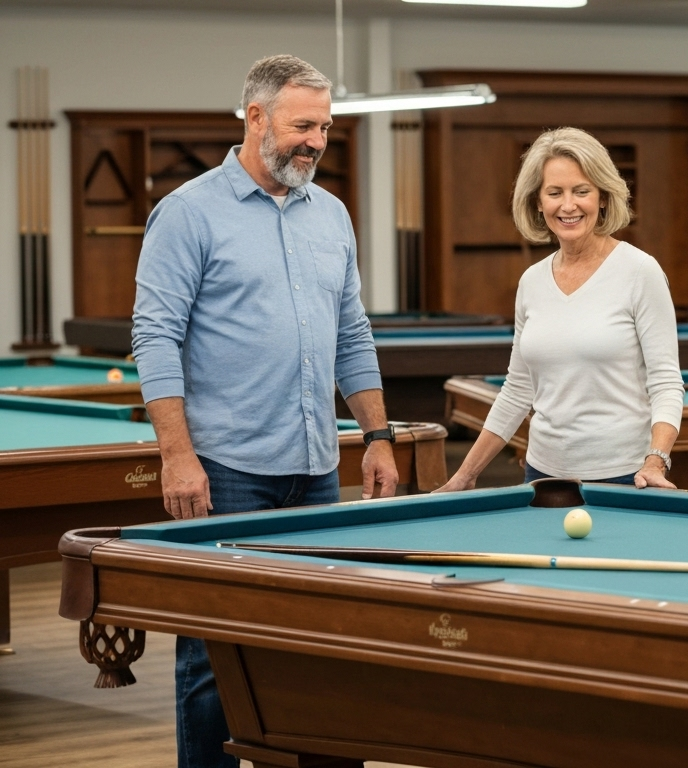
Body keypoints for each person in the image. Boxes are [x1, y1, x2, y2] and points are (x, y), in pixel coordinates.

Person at [131, 55, 398, 768]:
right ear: (255, 117)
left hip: (314, 469)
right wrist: (177, 455)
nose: (315, 140)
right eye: (302, 125)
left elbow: (352, 333)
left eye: (326, 128)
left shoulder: (332, 214)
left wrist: (376, 434)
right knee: (212, 663)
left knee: (318, 653)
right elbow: (154, 337)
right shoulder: (188, 212)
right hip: (225, 470)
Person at [438, 128, 684, 492]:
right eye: (555, 193)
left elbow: (666, 382)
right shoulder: (531, 282)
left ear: (602, 198)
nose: (568, 205)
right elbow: (517, 390)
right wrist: (464, 475)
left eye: (581, 191)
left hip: (624, 478)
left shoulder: (640, 271)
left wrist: (656, 460)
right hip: (543, 477)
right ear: (538, 202)